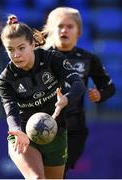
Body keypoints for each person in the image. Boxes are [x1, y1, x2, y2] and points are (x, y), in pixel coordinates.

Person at [0, 15, 86, 179]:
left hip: (56, 132)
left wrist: (66, 99)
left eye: (21, 47)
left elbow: (78, 84)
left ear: (32, 44)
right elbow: (11, 111)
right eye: (10, 50)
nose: (16, 54)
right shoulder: (5, 80)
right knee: (37, 178)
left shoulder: (52, 58)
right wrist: (17, 131)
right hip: (23, 136)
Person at [42, 7, 116, 177]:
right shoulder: (41, 57)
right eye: (60, 26)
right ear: (52, 30)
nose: (64, 30)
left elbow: (109, 88)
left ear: (79, 32)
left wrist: (100, 95)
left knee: (57, 174)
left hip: (73, 131)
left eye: (69, 26)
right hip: (43, 126)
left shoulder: (88, 59)